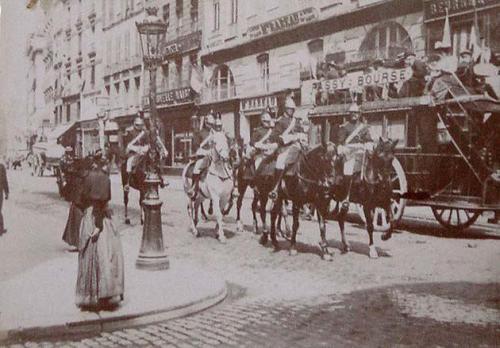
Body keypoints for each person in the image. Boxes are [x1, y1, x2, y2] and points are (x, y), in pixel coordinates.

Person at [75, 159, 124, 310]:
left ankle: (90, 294)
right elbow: (100, 203)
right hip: (100, 219)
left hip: (89, 216)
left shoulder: (87, 177)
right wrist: (98, 225)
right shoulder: (104, 178)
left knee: (88, 255)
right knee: (107, 255)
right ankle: (105, 294)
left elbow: (80, 200)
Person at [336, 103, 373, 212]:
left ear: (359, 114)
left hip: (362, 152)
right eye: (352, 113)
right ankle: (346, 197)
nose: (354, 115)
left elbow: (369, 139)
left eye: (356, 113)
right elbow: (341, 142)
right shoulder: (345, 127)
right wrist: (343, 150)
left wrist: (369, 145)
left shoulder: (364, 127)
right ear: (349, 114)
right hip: (350, 153)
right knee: (348, 169)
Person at [268, 95, 302, 200]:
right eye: (289, 109)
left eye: (292, 109)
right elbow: (274, 137)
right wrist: (289, 138)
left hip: (297, 146)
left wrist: (301, 136)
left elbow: (301, 131)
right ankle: (275, 189)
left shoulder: (296, 121)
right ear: (285, 109)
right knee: (280, 162)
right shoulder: (280, 121)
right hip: (285, 148)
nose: (291, 111)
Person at [188, 112, 215, 199]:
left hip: (213, 154)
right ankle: (194, 188)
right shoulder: (201, 133)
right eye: (209, 124)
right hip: (203, 154)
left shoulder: (214, 133)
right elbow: (197, 145)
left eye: (211, 124)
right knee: (197, 169)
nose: (210, 125)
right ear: (206, 123)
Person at [249, 109, 276, 178]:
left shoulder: (273, 130)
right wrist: (259, 145)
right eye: (266, 121)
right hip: (260, 154)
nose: (267, 123)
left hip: (272, 153)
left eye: (268, 121)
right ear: (262, 121)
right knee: (258, 164)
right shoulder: (258, 131)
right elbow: (252, 142)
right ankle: (257, 182)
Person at [0, 157, 9, 235]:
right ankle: (1, 229)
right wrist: (6, 192)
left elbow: (5, 180)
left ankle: (1, 229)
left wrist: (6, 192)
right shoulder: (2, 167)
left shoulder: (2, 167)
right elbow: (5, 180)